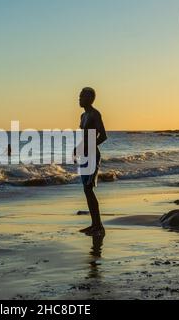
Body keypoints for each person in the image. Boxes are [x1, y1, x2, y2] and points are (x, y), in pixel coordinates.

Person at [76, 87, 107, 236]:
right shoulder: (83, 116)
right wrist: (79, 148)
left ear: (90, 98)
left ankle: (99, 226)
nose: (79, 98)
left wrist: (90, 147)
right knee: (86, 190)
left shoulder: (95, 114)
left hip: (93, 156)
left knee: (89, 188)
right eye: (79, 96)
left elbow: (103, 136)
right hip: (84, 156)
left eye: (82, 96)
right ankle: (94, 224)